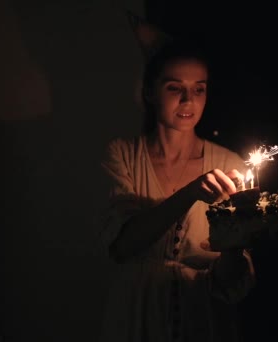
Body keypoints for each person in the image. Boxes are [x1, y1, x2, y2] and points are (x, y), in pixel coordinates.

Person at [98, 39, 256, 342]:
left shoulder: (228, 163)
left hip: (203, 319)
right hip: (137, 318)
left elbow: (232, 283)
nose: (188, 100)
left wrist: (235, 240)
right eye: (174, 88)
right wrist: (190, 192)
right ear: (149, 92)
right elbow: (122, 246)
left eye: (199, 89)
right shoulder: (123, 155)